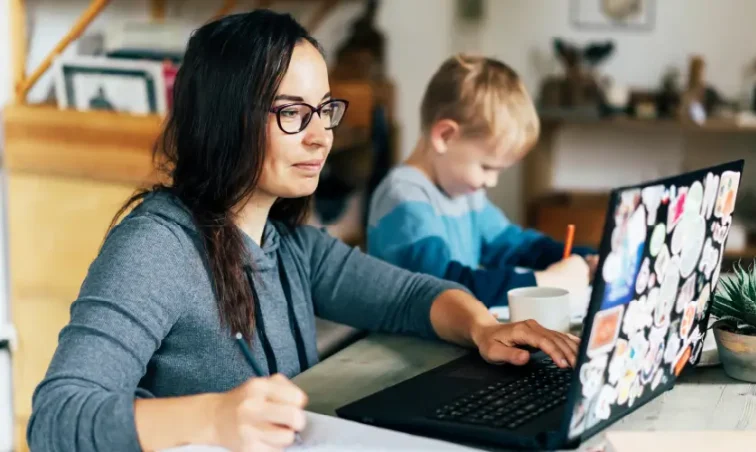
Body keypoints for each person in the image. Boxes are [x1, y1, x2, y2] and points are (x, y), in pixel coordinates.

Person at [27, 11, 580, 452]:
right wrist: (214, 416)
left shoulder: (290, 244)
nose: (321, 138)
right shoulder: (154, 248)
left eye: (324, 111)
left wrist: (482, 328)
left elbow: (410, 295)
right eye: (293, 112)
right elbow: (56, 419)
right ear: (227, 118)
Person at [366, 55, 598, 308]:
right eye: (487, 167)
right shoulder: (403, 199)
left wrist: (583, 258)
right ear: (445, 136)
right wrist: (544, 282)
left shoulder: (465, 193)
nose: (492, 181)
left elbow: (514, 246)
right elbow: (447, 286)